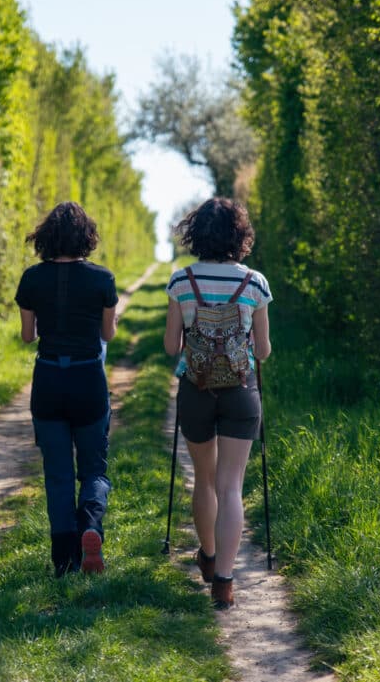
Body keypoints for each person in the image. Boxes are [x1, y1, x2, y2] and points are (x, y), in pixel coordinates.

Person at [163, 197, 273, 609]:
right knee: (231, 487)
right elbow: (262, 351)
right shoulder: (255, 283)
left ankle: (208, 557)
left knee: (204, 479)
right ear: (238, 236)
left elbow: (170, 345)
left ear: (196, 234)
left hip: (196, 390)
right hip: (241, 392)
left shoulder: (181, 281)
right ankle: (224, 582)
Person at [15, 202, 119, 577]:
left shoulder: (31, 279)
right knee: (94, 470)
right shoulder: (102, 279)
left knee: (57, 474)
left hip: (48, 380)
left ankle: (64, 561)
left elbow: (28, 336)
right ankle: (90, 525)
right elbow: (108, 334)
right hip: (88, 379)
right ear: (86, 237)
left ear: (46, 237)